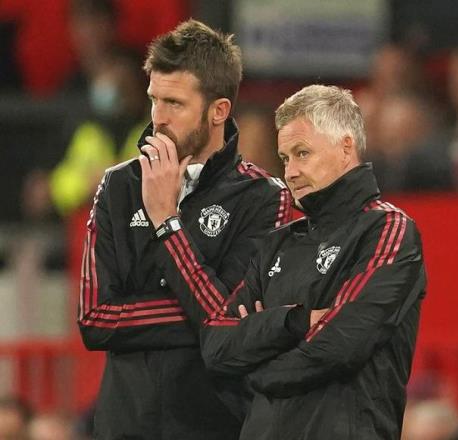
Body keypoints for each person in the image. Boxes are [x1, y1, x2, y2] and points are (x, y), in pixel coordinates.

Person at [163, 84, 426, 439]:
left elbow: (340, 345)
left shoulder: (387, 230)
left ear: (346, 147)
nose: (290, 172)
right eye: (285, 158)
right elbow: (216, 346)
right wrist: (291, 322)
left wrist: (257, 366)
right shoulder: (278, 243)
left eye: (302, 153)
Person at [77, 19, 292, 440]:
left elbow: (232, 326)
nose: (158, 118)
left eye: (174, 103)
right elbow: (95, 317)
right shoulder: (118, 185)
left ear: (219, 110)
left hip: (214, 427)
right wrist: (202, 314)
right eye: (154, 99)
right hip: (124, 428)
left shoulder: (264, 198)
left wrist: (166, 222)